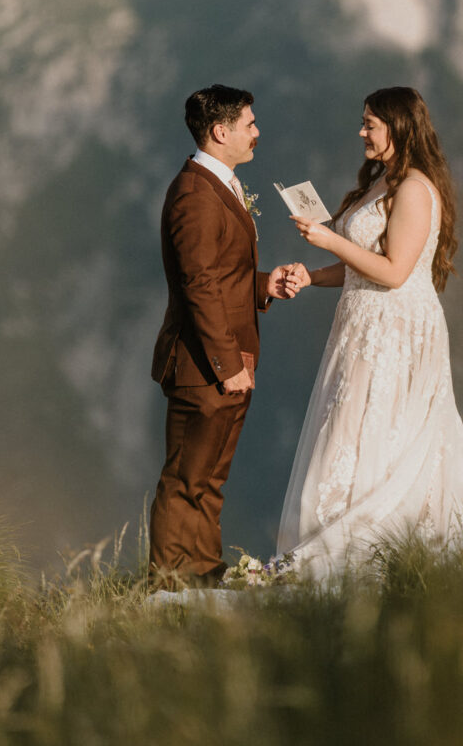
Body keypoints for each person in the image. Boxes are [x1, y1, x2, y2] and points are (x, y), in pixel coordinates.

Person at [277, 87, 463, 581]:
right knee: (348, 428)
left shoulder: (413, 189)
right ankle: (342, 529)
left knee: (382, 430)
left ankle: (380, 544)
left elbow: (393, 272)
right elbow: (359, 269)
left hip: (395, 330)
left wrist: (327, 239)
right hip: (362, 325)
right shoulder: (381, 183)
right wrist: (311, 274)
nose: (361, 132)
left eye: (369, 123)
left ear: (398, 126)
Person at [149, 84, 304, 589]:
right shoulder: (195, 195)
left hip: (227, 360)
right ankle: (171, 586)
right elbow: (198, 284)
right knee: (186, 479)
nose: (257, 133)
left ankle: (203, 576)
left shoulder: (222, 185)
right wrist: (227, 364)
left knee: (210, 479)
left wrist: (265, 285)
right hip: (205, 366)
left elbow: (220, 273)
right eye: (250, 125)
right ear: (221, 132)